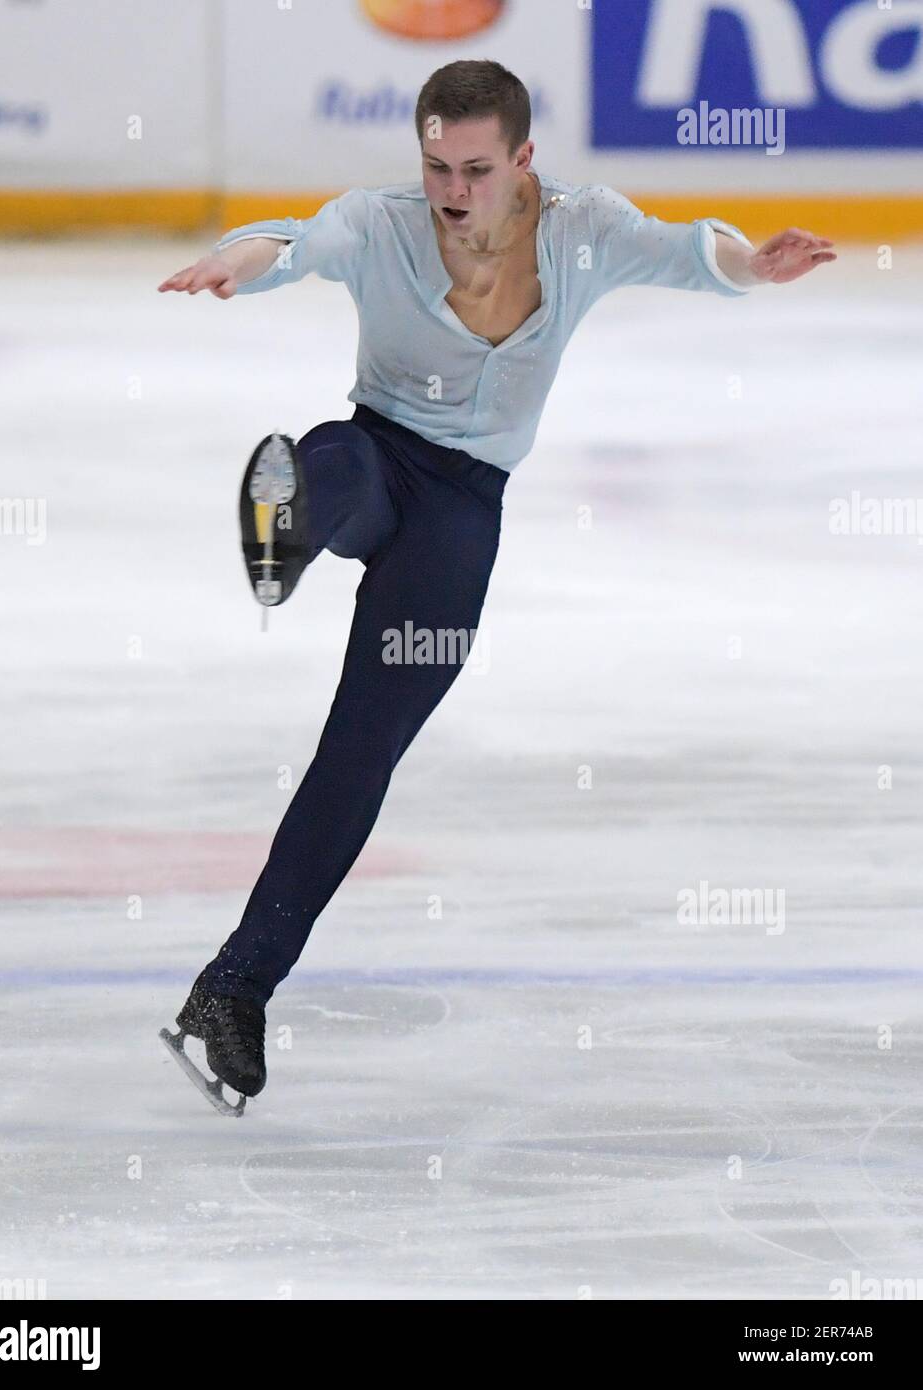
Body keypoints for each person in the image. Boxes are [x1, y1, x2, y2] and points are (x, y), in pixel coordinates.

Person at [157, 59, 836, 1111]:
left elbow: (686, 251)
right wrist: (237, 262)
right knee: (332, 460)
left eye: (474, 167)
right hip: (376, 461)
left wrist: (754, 262)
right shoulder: (380, 223)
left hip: (461, 514)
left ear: (522, 159)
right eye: (434, 165)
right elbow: (296, 241)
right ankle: (281, 529)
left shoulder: (580, 227)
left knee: (360, 751)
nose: (450, 188)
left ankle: (234, 988)